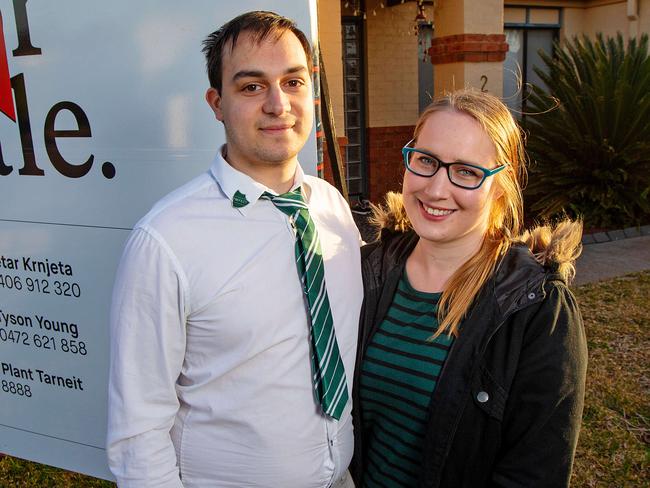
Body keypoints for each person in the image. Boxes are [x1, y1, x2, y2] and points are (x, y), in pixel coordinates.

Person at [107, 11, 362, 488]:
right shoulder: (164, 242)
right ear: (216, 103)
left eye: (293, 82)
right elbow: (138, 433)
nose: (277, 104)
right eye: (251, 87)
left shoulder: (332, 208)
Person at [350, 89, 587, 487]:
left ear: (500, 185)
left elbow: (533, 474)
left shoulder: (538, 309)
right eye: (426, 161)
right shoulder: (369, 269)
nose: (436, 189)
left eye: (466, 171)